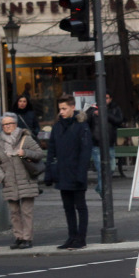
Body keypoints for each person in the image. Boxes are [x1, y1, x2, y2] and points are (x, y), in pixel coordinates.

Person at [46, 94, 92, 250]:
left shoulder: (81, 126)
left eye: (64, 108)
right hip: (63, 173)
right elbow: (51, 149)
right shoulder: (57, 127)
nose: (62, 112)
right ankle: (72, 236)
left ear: (73, 107)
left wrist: (81, 174)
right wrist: (49, 172)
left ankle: (81, 237)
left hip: (76, 173)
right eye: (60, 109)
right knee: (68, 208)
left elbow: (85, 152)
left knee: (80, 206)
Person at [0, 112, 45, 250]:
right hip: (9, 182)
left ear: (15, 125)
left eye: (10, 124)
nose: (7, 126)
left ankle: (27, 238)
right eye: (4, 124)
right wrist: (2, 177)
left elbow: (40, 153)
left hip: (26, 180)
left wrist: (26, 153)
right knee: (14, 212)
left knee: (27, 212)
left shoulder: (25, 138)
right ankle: (19, 237)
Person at [85, 91, 125, 192]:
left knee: (111, 168)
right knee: (101, 170)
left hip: (109, 144)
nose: (105, 100)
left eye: (107, 98)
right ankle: (104, 193)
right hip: (96, 145)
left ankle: (100, 188)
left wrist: (105, 114)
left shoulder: (115, 109)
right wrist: (93, 113)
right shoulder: (92, 108)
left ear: (110, 99)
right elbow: (84, 121)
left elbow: (119, 121)